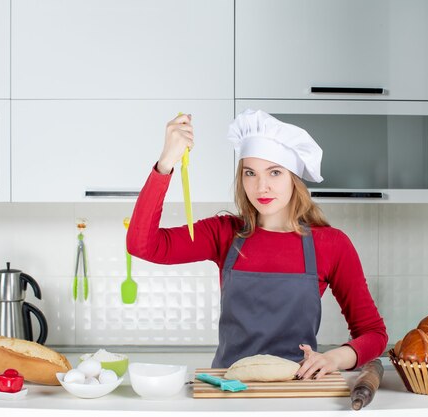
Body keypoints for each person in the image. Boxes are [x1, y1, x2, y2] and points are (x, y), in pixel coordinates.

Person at [127, 109, 388, 379]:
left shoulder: (331, 244)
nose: (261, 186)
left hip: (297, 389)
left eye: (274, 172)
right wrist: (166, 162)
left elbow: (373, 333)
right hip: (228, 390)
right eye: (250, 173)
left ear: (294, 179)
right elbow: (142, 244)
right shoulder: (224, 233)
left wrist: (334, 358)